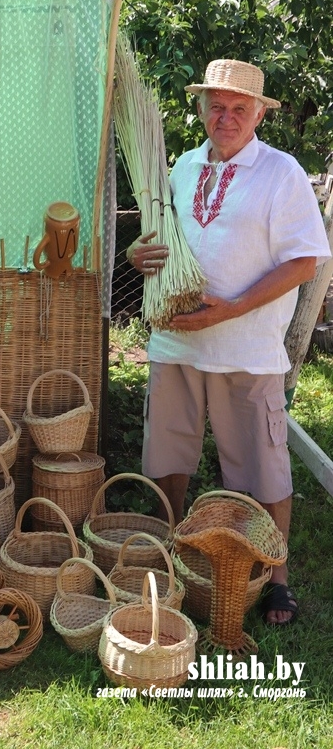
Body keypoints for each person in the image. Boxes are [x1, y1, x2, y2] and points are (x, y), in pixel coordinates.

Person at [126, 59, 330, 626]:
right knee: (167, 455)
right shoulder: (183, 167)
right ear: (201, 109)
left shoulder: (281, 172)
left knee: (261, 467)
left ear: (259, 113)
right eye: (216, 105)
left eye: (240, 108)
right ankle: (173, 551)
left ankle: (277, 577)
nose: (227, 116)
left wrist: (234, 308)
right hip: (176, 343)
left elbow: (306, 260)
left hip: (245, 347)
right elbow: (154, 242)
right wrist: (136, 256)